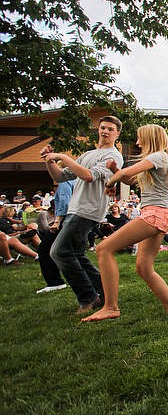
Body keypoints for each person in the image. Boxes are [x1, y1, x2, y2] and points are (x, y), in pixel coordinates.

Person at [81, 124, 168, 322]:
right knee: (144, 268)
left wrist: (110, 182)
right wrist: (115, 170)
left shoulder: (157, 156)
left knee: (103, 249)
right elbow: (130, 180)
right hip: (160, 214)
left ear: (148, 138)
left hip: (156, 214)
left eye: (139, 138)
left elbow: (124, 175)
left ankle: (110, 307)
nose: (137, 142)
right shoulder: (156, 159)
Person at [41, 115, 124, 313]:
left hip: (88, 210)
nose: (105, 131)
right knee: (76, 254)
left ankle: (88, 297)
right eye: (102, 127)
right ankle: (103, 292)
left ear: (117, 134)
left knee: (58, 252)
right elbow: (60, 176)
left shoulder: (113, 155)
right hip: (75, 208)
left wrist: (62, 157)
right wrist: (49, 161)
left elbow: (88, 176)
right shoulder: (88, 154)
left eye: (110, 129)